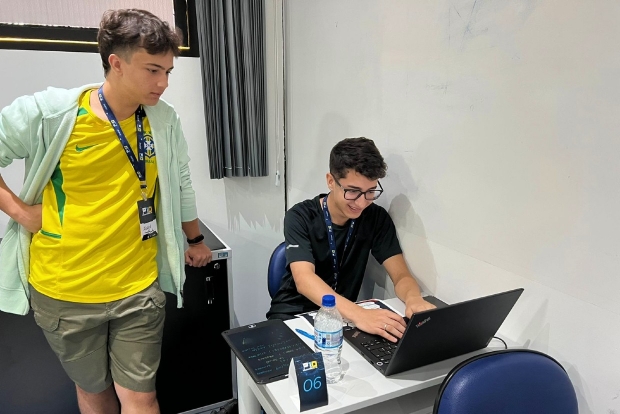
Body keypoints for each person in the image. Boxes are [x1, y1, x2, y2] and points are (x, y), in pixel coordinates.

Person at [0, 9, 211, 414]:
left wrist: (196, 239)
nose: (163, 83)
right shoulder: (51, 113)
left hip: (138, 286)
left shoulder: (163, 119)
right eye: (153, 70)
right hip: (66, 292)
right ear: (116, 62)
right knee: (94, 392)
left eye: (168, 71)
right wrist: (22, 213)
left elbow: (181, 183)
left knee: (141, 397)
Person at [267, 137, 435, 342]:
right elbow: (304, 280)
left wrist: (413, 299)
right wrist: (360, 314)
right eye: (353, 191)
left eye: (370, 192)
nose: (361, 203)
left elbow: (400, 275)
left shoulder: (375, 218)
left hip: (342, 319)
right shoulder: (300, 216)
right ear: (331, 181)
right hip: (294, 316)